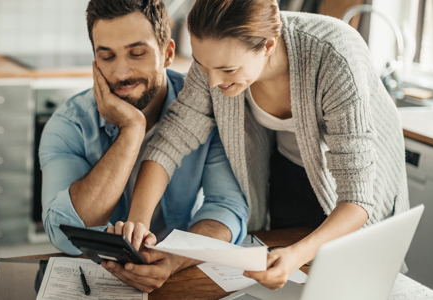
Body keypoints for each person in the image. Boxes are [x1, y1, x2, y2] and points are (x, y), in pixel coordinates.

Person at [121, 0, 410, 291]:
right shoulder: (215, 59)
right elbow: (172, 139)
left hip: (355, 190)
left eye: (228, 70)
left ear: (269, 46)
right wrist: (138, 225)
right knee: (293, 287)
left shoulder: (334, 55)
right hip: (289, 170)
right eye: (202, 65)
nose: (212, 82)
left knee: (350, 283)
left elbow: (357, 199)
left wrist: (296, 255)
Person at [38, 0, 248, 293]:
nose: (122, 73)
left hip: (181, 273)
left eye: (137, 53)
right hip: (99, 281)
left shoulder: (207, 111)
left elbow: (226, 209)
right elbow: (64, 233)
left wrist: (175, 259)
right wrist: (132, 130)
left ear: (168, 54)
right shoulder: (69, 124)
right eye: (107, 56)